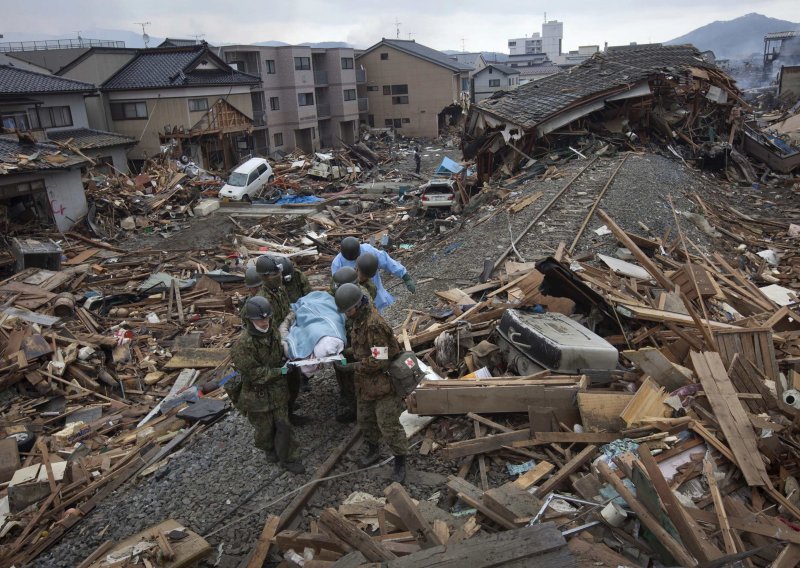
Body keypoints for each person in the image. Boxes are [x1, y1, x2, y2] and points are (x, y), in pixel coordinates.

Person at [334, 283, 407, 482]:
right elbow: (363, 348)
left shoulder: (374, 324)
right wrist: (344, 353)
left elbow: (379, 359)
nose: (347, 314)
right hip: (365, 383)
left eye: (349, 310)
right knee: (365, 420)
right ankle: (373, 449)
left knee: (388, 425)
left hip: (384, 382)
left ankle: (401, 460)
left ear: (358, 305)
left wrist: (351, 367)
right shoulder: (358, 320)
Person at [229, 296, 305, 474]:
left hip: (277, 392)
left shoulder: (273, 332)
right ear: (249, 320)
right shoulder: (242, 346)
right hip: (257, 396)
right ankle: (269, 449)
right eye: (260, 319)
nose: (264, 322)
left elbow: (279, 354)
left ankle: (288, 458)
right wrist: (281, 372)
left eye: (267, 318)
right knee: (264, 431)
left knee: (283, 426)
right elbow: (255, 374)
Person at [255, 255, 310, 426]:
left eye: (278, 273)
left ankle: (290, 410)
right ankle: (282, 419)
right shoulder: (260, 302)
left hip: (287, 342)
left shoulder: (280, 291)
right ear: (264, 277)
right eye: (273, 274)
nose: (278, 276)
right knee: (280, 386)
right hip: (273, 350)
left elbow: (287, 311)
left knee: (293, 381)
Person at [330, 237, 415, 313]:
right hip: (356, 303)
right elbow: (338, 288)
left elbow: (387, 261)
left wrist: (405, 276)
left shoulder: (368, 250)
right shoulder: (337, 264)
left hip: (379, 295)